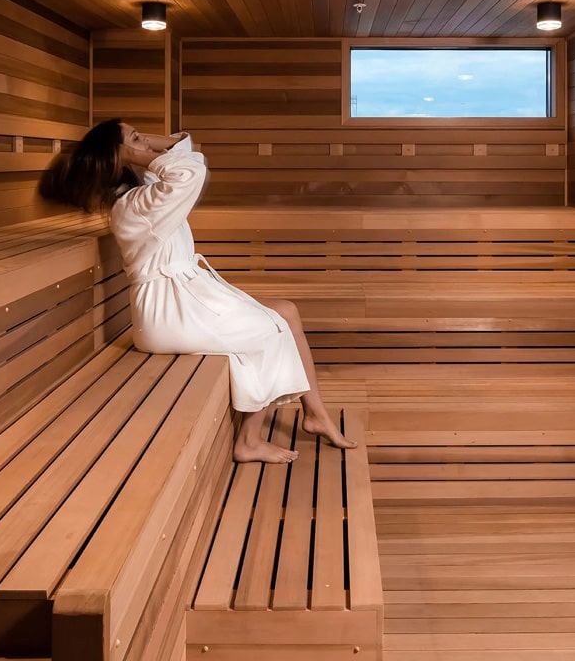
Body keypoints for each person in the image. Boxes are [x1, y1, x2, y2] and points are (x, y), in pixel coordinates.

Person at [39, 118, 356, 463]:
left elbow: (188, 156)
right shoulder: (134, 207)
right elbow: (190, 172)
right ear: (117, 155)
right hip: (168, 311)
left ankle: (316, 413)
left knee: (286, 312)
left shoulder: (141, 193)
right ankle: (249, 441)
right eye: (135, 138)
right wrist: (135, 151)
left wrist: (137, 146)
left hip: (187, 298)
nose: (145, 142)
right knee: (270, 330)